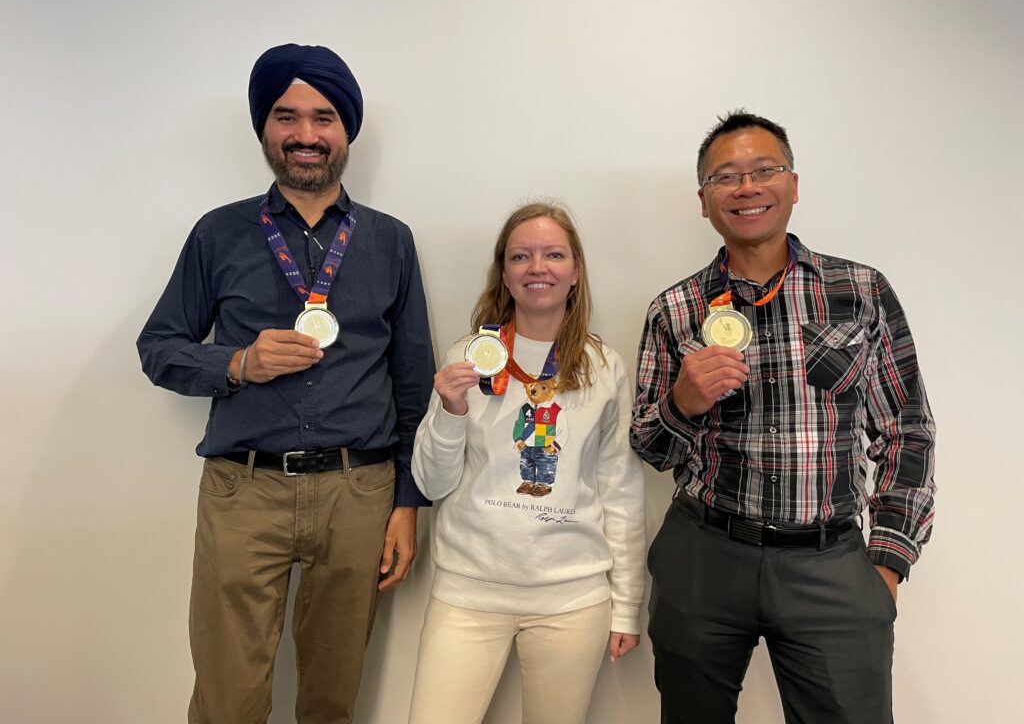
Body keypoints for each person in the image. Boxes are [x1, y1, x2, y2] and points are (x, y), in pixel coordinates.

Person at [137, 43, 434, 724]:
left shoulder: (390, 241)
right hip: (244, 491)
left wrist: (406, 503)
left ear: (345, 130)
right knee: (226, 697)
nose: (305, 135)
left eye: (323, 117)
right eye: (286, 116)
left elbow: (411, 379)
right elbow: (159, 349)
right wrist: (237, 363)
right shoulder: (219, 234)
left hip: (358, 493)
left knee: (332, 696)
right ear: (264, 127)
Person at [631, 111, 936, 724]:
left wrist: (887, 563)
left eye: (764, 170)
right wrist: (682, 403)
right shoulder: (675, 308)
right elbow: (650, 447)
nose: (746, 187)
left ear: (793, 185)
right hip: (703, 556)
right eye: (726, 177)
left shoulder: (862, 291)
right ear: (703, 200)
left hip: (832, 564)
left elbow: (907, 429)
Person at [408, 202, 645, 724]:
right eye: (521, 256)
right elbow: (430, 482)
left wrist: (627, 603)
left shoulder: (604, 367)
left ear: (575, 271)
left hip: (571, 601)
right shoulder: (467, 358)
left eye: (554, 254)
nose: (538, 267)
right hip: (467, 595)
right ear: (505, 273)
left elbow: (620, 489)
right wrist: (449, 411)